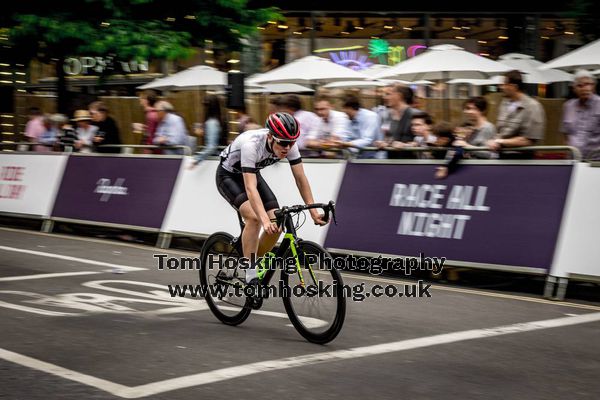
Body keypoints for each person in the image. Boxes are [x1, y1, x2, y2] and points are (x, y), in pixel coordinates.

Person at [215, 112, 327, 307]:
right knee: (255, 218)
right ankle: (250, 274)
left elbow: (301, 178)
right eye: (283, 143)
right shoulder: (251, 144)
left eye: (292, 143)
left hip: (251, 173)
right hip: (229, 176)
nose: (287, 148)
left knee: (277, 221)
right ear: (270, 136)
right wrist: (263, 220)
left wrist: (312, 211)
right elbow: (250, 188)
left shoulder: (289, 146)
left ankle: (252, 260)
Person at [487, 70, 545, 158]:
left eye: (504, 84)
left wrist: (500, 142)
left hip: (522, 160)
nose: (501, 87)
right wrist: (494, 140)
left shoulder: (532, 106)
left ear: (514, 87)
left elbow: (528, 140)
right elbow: (500, 131)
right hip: (502, 157)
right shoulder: (504, 103)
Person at [560, 70, 600, 160]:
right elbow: (565, 134)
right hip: (573, 159)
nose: (584, 88)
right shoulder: (568, 106)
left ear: (593, 86)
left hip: (595, 161)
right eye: (579, 85)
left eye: (588, 84)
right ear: (574, 89)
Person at [375, 83, 418, 159]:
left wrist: (406, 145)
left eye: (388, 94)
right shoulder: (386, 116)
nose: (384, 97)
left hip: (411, 163)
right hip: (392, 162)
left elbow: (425, 140)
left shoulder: (416, 114)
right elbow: (387, 136)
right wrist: (384, 143)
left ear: (399, 96)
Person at [338, 94, 381, 158]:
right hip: (357, 158)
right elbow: (345, 136)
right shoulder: (348, 119)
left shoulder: (371, 117)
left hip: (374, 159)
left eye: (344, 108)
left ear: (350, 108)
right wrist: (339, 141)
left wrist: (348, 144)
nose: (343, 111)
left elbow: (367, 140)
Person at [191, 95, 225, 165]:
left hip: (213, 159)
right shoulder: (219, 120)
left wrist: (197, 159)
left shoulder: (211, 122)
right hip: (217, 159)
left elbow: (211, 147)